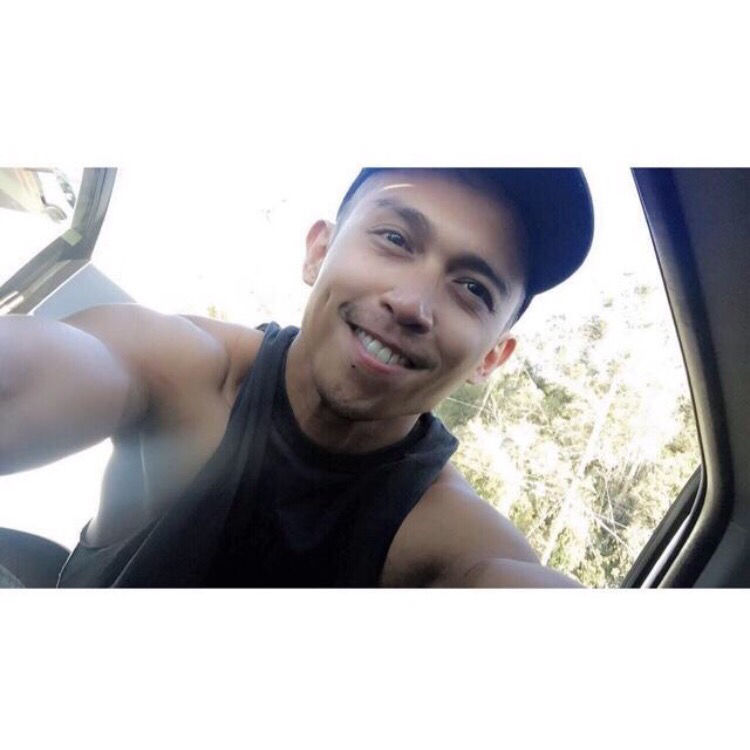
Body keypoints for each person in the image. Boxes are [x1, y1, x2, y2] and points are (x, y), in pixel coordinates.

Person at [0, 167, 594, 587]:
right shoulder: (183, 368)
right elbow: (50, 368)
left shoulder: (446, 534)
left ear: (492, 357)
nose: (412, 304)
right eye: (394, 239)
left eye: (472, 288)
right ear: (318, 252)